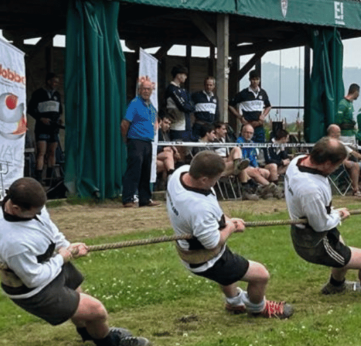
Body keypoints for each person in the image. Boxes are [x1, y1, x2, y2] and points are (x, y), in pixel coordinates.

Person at [0, 177, 150, 346]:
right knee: (97, 311)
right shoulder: (12, 242)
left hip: (49, 263)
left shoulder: (26, 202)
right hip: (33, 290)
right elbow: (34, 279)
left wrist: (65, 246)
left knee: (77, 291)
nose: (39, 214)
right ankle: (108, 342)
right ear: (16, 208)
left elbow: (47, 225)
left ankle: (89, 332)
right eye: (35, 212)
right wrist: (62, 257)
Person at [166, 150, 292, 318]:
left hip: (192, 248)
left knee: (228, 273)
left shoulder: (179, 174)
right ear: (203, 179)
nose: (218, 181)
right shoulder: (197, 207)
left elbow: (210, 214)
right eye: (216, 178)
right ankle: (258, 307)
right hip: (205, 259)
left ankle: (234, 303)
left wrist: (226, 220)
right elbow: (212, 242)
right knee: (261, 275)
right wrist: (230, 227)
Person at [285, 137, 361, 296]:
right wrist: (338, 215)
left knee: (343, 251)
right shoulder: (309, 189)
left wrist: (329, 212)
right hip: (314, 241)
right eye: (338, 164)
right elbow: (320, 225)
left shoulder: (299, 160)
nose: (338, 168)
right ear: (327, 163)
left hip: (315, 230)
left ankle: (336, 285)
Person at [120, 76, 161, 209]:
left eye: (148, 89)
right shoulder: (134, 104)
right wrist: (126, 138)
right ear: (139, 90)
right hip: (136, 140)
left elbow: (155, 119)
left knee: (146, 170)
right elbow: (125, 123)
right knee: (134, 169)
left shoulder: (151, 106)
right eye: (144, 89)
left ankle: (145, 198)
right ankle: (128, 198)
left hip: (148, 141)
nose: (146, 91)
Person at [27, 72, 64, 185]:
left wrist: (59, 119)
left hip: (54, 128)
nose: (55, 84)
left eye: (57, 82)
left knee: (52, 152)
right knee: (41, 152)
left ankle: (50, 177)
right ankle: (38, 177)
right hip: (42, 127)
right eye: (54, 81)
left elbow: (60, 110)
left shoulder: (57, 95)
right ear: (48, 81)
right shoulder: (38, 93)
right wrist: (40, 118)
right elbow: (30, 109)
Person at [327, 123, 361, 195]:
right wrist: (343, 160)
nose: (339, 134)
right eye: (338, 132)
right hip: (336, 164)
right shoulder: (327, 143)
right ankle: (356, 190)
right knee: (355, 165)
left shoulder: (340, 143)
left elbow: (353, 152)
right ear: (332, 133)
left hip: (345, 163)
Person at [237, 123, 279, 198]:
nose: (249, 135)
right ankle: (271, 188)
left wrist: (256, 167)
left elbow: (253, 158)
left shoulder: (252, 143)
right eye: (247, 132)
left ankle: (268, 190)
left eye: (251, 133)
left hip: (253, 166)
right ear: (242, 133)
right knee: (255, 171)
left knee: (271, 167)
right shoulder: (239, 142)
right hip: (242, 167)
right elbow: (242, 159)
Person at [230, 73, 271, 143]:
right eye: (253, 79)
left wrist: (263, 115)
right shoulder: (243, 93)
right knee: (244, 145)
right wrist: (239, 116)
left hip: (259, 125)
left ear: (259, 80)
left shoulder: (263, 93)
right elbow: (230, 105)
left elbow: (268, 106)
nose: (255, 81)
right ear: (250, 80)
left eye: (257, 79)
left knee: (260, 146)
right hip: (247, 124)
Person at [165, 65, 195, 141]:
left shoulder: (183, 90)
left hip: (185, 125)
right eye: (184, 75)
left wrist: (190, 106)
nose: (186, 77)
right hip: (176, 127)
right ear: (178, 75)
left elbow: (191, 104)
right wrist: (189, 106)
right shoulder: (172, 89)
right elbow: (184, 107)